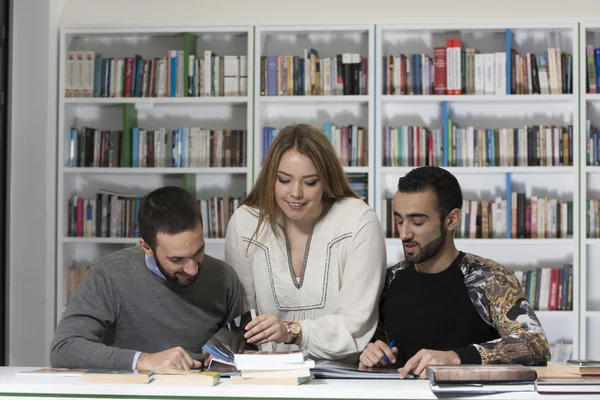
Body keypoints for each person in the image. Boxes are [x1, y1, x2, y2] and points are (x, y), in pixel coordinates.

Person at [358, 166, 551, 378]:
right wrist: (370, 352)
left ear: (451, 220)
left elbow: (535, 344)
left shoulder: (488, 278)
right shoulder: (388, 280)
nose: (404, 233)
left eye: (418, 221)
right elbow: (373, 345)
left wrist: (455, 358)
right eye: (399, 220)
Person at [224, 123, 387, 363]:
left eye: (310, 182)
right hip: (266, 378)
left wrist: (291, 331)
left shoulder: (359, 221)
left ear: (327, 180)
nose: (296, 193)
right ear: (271, 178)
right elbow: (245, 320)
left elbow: (356, 326)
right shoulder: (245, 223)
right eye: (284, 180)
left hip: (339, 378)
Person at [50, 186, 243, 371]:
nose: (192, 269)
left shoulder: (224, 278)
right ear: (146, 247)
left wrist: (230, 353)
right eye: (177, 259)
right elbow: (64, 349)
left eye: (199, 250)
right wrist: (143, 360)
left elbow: (240, 353)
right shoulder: (108, 275)